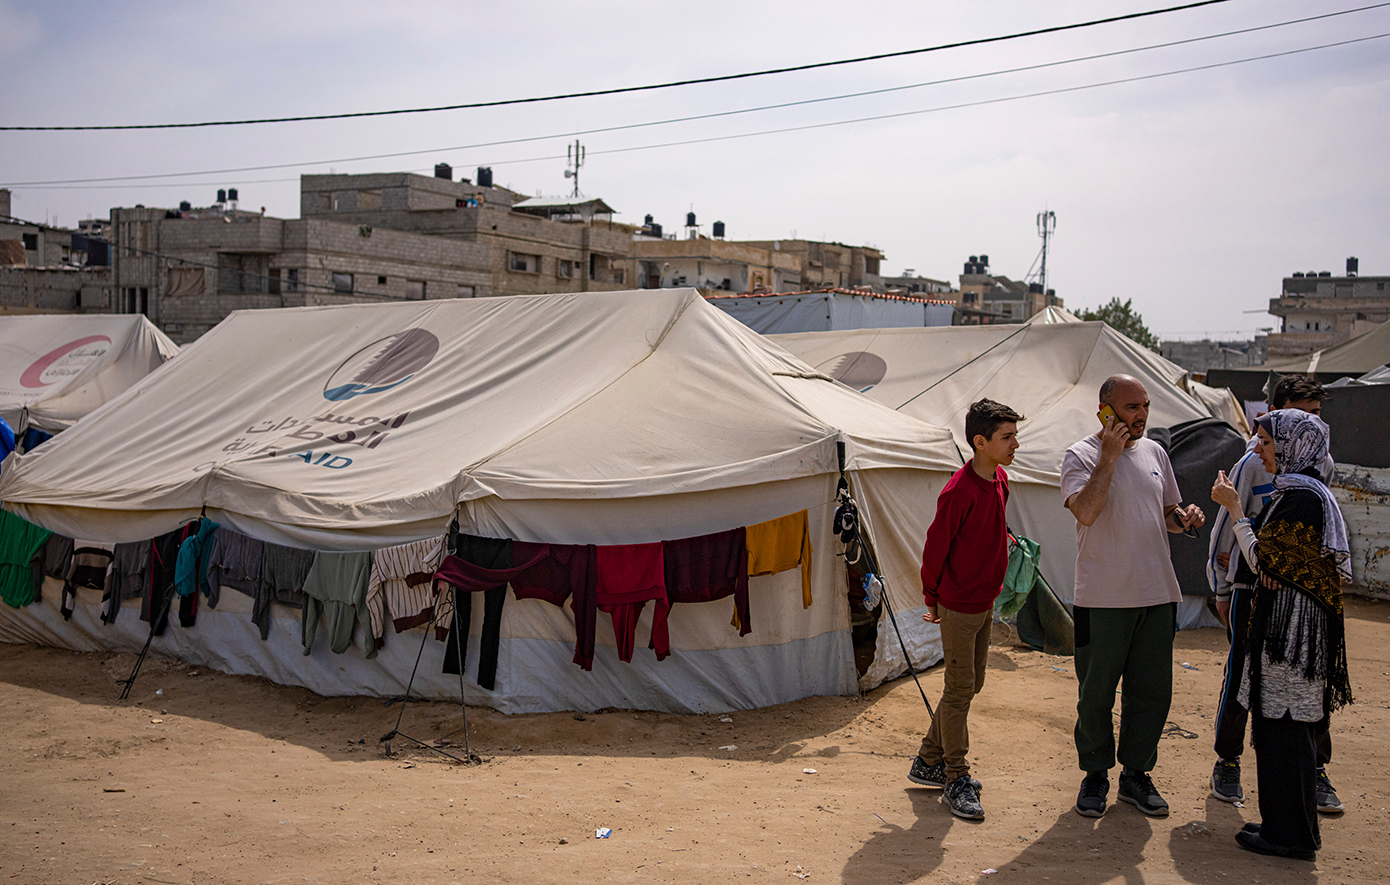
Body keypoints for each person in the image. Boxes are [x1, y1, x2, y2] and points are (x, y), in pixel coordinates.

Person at [1210, 409, 1353, 861]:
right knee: (1279, 731)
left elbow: (1267, 562)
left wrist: (1236, 510)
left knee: (1286, 732)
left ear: (1294, 446)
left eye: (1267, 443)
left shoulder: (1303, 498)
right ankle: (1286, 824)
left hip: (1291, 638)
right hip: (1290, 632)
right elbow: (1274, 562)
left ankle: (1288, 836)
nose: (1259, 450)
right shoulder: (1298, 493)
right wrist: (1269, 563)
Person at [1061, 374, 1204, 819]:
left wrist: (1185, 518)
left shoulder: (1157, 452)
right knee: (1096, 694)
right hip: (1102, 599)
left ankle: (1136, 776)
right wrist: (1109, 457)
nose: (1140, 416)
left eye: (1144, 406)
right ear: (1105, 410)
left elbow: (1166, 514)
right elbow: (1085, 511)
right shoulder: (1081, 455)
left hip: (1156, 593)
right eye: (1130, 408)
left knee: (1151, 693)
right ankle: (1095, 775)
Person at [907, 398, 1023, 820]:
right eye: (1006, 437)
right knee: (958, 691)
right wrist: (932, 597)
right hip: (957, 606)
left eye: (1014, 435)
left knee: (969, 686)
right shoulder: (958, 491)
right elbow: (935, 547)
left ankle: (928, 758)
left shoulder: (1001, 481)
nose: (1015, 443)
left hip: (984, 602)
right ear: (980, 441)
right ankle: (955, 775)